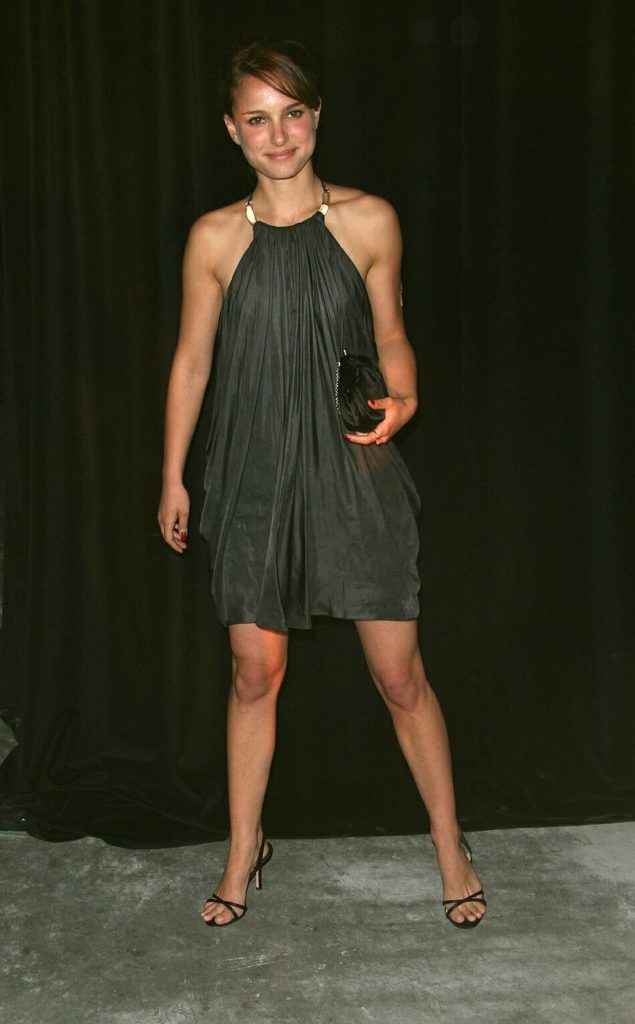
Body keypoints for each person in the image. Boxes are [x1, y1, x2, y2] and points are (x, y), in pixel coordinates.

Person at [157, 38, 487, 929]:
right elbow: (191, 362)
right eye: (257, 119)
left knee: (399, 675)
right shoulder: (214, 238)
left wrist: (404, 397)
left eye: (292, 114)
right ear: (232, 131)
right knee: (253, 674)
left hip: (351, 463)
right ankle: (242, 851)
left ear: (315, 118)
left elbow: (391, 334)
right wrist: (173, 475)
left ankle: (450, 845)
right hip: (252, 469)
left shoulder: (369, 220)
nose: (278, 135)